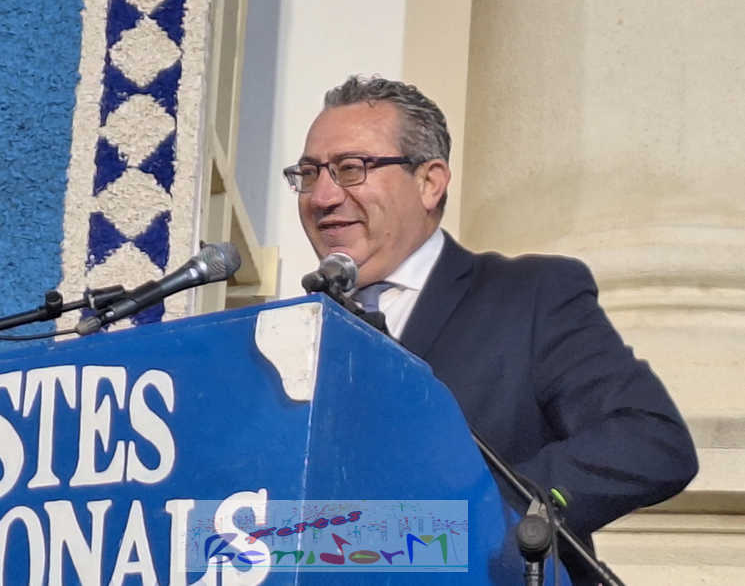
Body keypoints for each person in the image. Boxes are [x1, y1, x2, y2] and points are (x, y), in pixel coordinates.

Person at [283, 75, 698, 583]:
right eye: (308, 174)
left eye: (351, 169)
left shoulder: (531, 296)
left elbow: (650, 439)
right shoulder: (289, 336)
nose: (323, 196)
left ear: (430, 182)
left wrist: (487, 513)